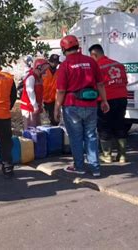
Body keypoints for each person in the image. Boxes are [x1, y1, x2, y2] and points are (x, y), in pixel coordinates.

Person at [54, 35, 110, 177]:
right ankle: (96, 168)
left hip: (72, 106)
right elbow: (100, 84)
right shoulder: (91, 61)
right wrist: (104, 100)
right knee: (91, 136)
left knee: (76, 137)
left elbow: (61, 90)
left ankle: (79, 167)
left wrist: (56, 107)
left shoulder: (65, 66)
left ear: (63, 49)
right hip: (91, 104)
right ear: (77, 46)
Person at [89, 44, 129, 163]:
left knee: (104, 126)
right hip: (122, 98)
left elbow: (96, 85)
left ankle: (107, 155)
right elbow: (125, 81)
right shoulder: (119, 65)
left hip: (105, 100)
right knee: (120, 124)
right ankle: (122, 156)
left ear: (94, 55)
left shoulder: (97, 67)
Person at [20, 58, 49, 130]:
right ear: (38, 67)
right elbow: (30, 91)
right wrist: (35, 105)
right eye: (44, 69)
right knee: (30, 129)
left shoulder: (39, 78)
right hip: (29, 108)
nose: (45, 71)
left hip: (35, 107)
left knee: (37, 128)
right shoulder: (31, 77)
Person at [42, 54, 61, 126]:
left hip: (54, 100)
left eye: (56, 62)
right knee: (44, 121)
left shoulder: (59, 72)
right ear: (49, 62)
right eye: (52, 62)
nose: (54, 64)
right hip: (43, 100)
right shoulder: (43, 71)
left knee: (55, 120)